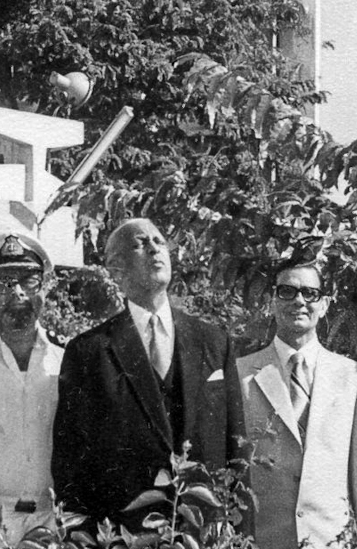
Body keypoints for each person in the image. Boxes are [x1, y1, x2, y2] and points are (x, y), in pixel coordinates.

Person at [52, 218, 245, 526]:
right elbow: (70, 463)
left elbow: (237, 448)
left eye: (159, 241)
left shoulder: (213, 342)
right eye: (140, 243)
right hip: (123, 533)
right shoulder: (88, 352)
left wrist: (236, 532)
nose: (155, 248)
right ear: (116, 270)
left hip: (203, 532)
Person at [237, 254, 357, 548]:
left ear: (325, 304)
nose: (299, 301)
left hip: (329, 542)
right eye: (287, 291)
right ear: (271, 301)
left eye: (310, 293)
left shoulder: (353, 377)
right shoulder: (239, 375)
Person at [0, 233, 63, 547]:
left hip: (49, 523)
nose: (17, 292)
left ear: (44, 289)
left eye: (29, 281)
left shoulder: (67, 361)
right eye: (4, 283)